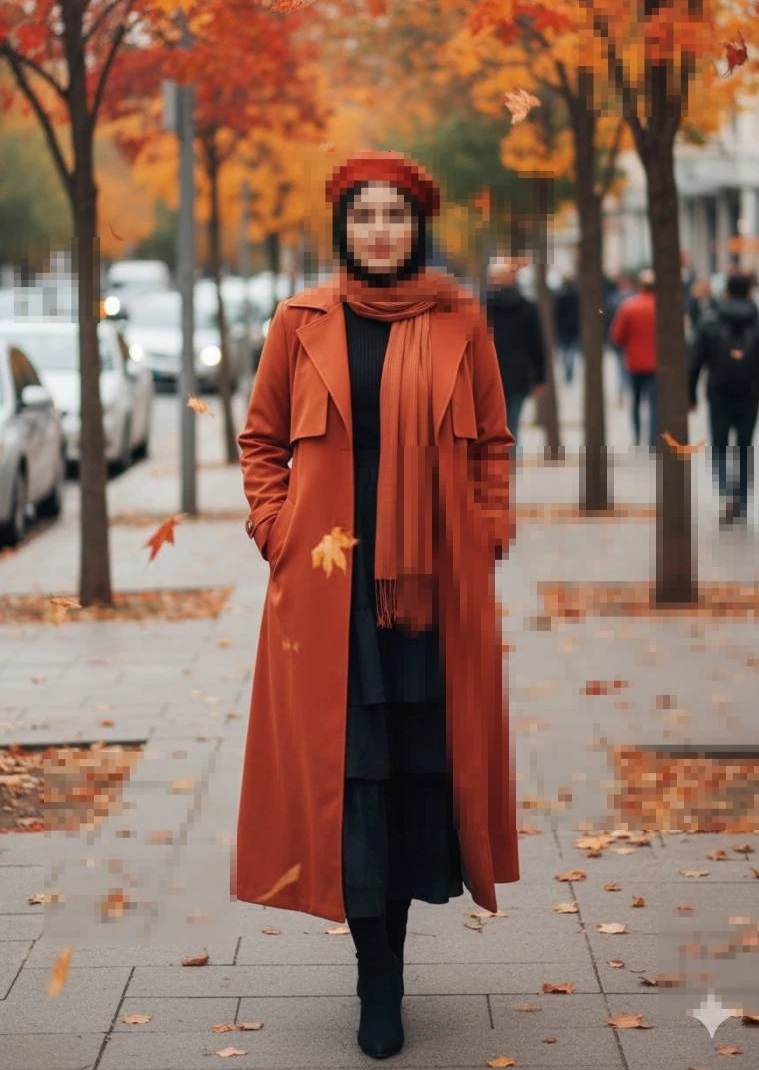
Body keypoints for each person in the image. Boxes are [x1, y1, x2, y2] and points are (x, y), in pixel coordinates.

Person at [235, 151, 519, 1060]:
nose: (381, 231)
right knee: (350, 774)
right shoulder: (299, 321)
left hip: (432, 586)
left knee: (411, 774)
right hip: (328, 589)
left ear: (418, 227)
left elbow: (493, 443)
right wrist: (275, 528)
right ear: (343, 229)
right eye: (365, 217)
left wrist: (488, 529)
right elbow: (261, 438)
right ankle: (376, 983)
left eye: (395, 215)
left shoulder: (458, 320)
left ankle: (394, 955)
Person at [688, 271, 759, 526]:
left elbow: (694, 362)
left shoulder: (709, 321)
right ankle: (741, 500)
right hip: (750, 393)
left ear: (725, 292)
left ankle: (725, 493)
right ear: (750, 292)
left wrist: (690, 394)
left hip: (718, 392)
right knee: (745, 446)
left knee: (719, 445)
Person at [484, 256, 546, 449]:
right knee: (513, 427)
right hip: (518, 375)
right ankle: (509, 469)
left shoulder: (480, 308)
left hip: (487, 376)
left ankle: (492, 466)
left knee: (490, 427)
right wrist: (540, 378)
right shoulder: (527, 307)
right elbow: (536, 345)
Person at [610, 268, 657, 447]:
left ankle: (637, 435)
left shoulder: (629, 306)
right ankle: (653, 438)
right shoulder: (664, 308)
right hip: (656, 364)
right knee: (654, 403)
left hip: (634, 362)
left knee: (636, 401)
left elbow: (617, 336)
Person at [604, 273, 635, 405]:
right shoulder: (634, 298)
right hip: (630, 341)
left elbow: (608, 321)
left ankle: (622, 392)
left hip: (620, 340)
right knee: (625, 368)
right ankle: (626, 391)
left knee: (621, 368)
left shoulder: (612, 300)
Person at [554, 273, 580, 383]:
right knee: (571, 351)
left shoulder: (559, 294)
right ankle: (569, 371)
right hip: (573, 327)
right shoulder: (576, 294)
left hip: (562, 328)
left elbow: (556, 313)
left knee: (564, 351)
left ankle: (567, 371)